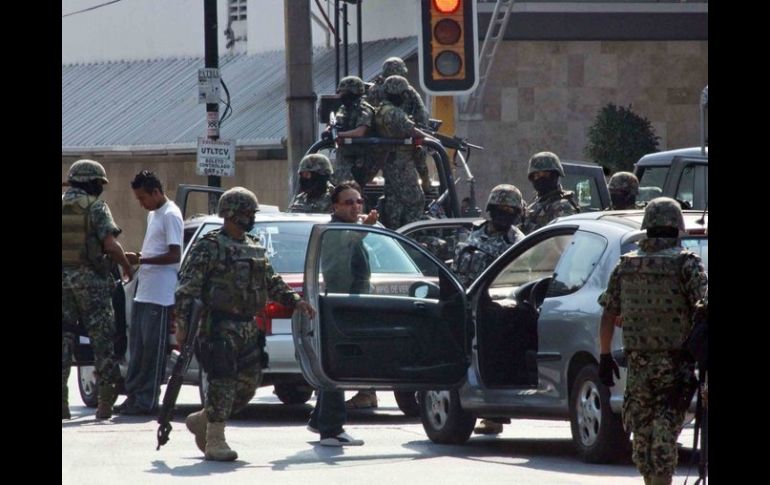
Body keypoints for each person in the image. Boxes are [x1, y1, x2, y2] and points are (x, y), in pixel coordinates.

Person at [176, 187, 316, 461]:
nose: (250, 218)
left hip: (249, 326)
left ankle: (203, 419)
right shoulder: (210, 246)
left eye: (252, 213)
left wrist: (294, 301)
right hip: (219, 325)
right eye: (245, 213)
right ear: (229, 214)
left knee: (248, 385)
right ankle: (215, 439)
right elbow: (188, 288)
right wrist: (182, 323)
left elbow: (270, 280)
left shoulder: (253, 245)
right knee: (222, 381)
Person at [598, 197, 707, 485]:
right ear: (677, 228)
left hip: (640, 368)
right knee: (661, 436)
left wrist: (604, 355)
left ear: (647, 228)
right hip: (675, 368)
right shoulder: (687, 263)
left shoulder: (627, 265)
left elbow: (609, 313)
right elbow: (705, 307)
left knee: (645, 439)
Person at [451, 184, 526, 435]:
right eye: (500, 209)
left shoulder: (518, 241)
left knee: (491, 361)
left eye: (510, 210)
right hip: (463, 307)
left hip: (496, 312)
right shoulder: (470, 234)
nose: (504, 214)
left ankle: (494, 415)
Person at [62, 159, 134, 420]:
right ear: (91, 182)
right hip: (91, 283)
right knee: (103, 341)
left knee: (64, 341)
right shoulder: (95, 207)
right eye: (99, 183)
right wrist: (126, 265)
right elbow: (111, 245)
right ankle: (105, 404)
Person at [309, 181, 377, 438]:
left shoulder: (350, 228)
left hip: (352, 305)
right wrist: (365, 228)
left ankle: (320, 420)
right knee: (337, 367)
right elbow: (347, 240)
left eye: (358, 201)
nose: (355, 206)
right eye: (348, 202)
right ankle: (332, 428)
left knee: (336, 365)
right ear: (335, 206)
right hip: (339, 307)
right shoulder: (334, 231)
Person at [113, 171, 184, 416]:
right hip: (145, 291)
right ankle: (133, 396)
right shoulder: (154, 214)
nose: (141, 203)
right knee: (138, 350)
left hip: (161, 295)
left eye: (143, 198)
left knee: (153, 352)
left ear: (156, 192)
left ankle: (147, 400)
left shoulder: (171, 215)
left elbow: (175, 255)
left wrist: (142, 259)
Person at [372, 75, 431, 230]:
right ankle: (412, 234)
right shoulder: (395, 113)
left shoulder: (381, 110)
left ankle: (395, 231)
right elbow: (414, 132)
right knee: (416, 200)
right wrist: (432, 139)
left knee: (394, 201)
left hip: (389, 161)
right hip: (401, 163)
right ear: (401, 94)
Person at [365, 56, 432, 193]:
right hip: (403, 138)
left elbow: (367, 112)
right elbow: (421, 113)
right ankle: (425, 182)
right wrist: (425, 133)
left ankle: (361, 186)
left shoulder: (374, 90)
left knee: (368, 172)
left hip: (376, 140)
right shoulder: (408, 90)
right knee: (419, 155)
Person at [328, 76, 376, 188]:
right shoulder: (344, 108)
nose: (341, 95)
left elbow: (360, 132)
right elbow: (337, 124)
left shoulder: (363, 108)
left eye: (344, 92)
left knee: (352, 190)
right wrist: (329, 130)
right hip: (344, 157)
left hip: (359, 160)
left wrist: (339, 135)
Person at [520, 151, 580, 234]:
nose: (540, 179)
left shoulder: (562, 206)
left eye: (545, 174)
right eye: (537, 175)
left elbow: (563, 240)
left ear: (556, 175)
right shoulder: (536, 202)